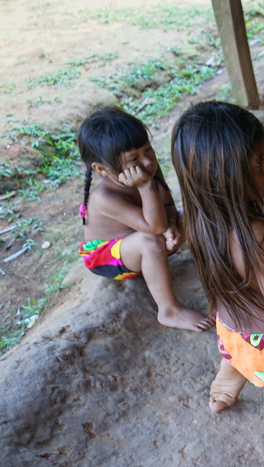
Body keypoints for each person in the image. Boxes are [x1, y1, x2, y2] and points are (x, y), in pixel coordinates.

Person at [171, 101, 264, 418]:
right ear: (225, 177)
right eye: (258, 162)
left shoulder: (201, 221)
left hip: (233, 337)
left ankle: (245, 370)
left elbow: (259, 266)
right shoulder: (254, 232)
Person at [76, 107, 211, 332]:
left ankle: (220, 261)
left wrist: (170, 226)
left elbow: (167, 206)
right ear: (102, 169)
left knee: (197, 213)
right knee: (150, 241)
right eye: (134, 159)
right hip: (107, 257)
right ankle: (169, 311)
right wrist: (146, 187)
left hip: (148, 234)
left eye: (148, 150)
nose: (147, 161)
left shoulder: (148, 168)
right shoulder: (104, 197)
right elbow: (153, 228)